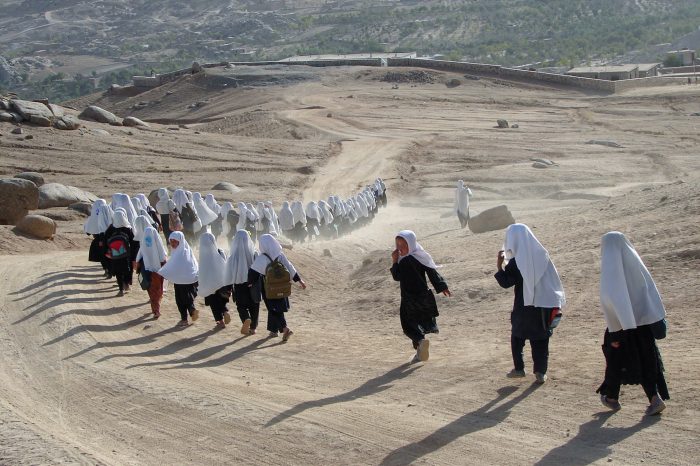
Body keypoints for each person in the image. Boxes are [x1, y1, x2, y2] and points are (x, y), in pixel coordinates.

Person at [596, 232, 669, 415]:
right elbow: (650, 294)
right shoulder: (636, 264)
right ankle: (654, 398)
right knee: (647, 359)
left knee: (615, 359)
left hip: (621, 325)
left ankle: (612, 398)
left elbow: (612, 299)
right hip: (645, 322)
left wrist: (616, 334)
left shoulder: (611, 270)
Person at [495, 224, 565, 384]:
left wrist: (499, 266)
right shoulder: (542, 255)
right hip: (543, 305)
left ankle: (519, 368)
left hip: (523, 306)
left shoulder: (516, 263)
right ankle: (541, 372)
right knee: (540, 339)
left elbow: (506, 283)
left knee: (517, 337)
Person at [391, 230, 451, 362]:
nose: (400, 248)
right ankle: (420, 351)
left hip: (409, 299)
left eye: (403, 245)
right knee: (419, 323)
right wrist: (442, 286)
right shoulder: (420, 256)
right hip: (424, 297)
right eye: (398, 245)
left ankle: (420, 342)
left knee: (408, 325)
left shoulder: (404, 261)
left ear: (411, 244)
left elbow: (397, 276)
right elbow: (431, 271)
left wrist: (394, 262)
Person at [248, 234, 306, 340]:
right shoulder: (280, 255)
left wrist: (250, 283)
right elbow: (289, 267)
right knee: (277, 307)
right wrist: (299, 280)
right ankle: (274, 331)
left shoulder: (262, 258)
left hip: (269, 288)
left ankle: (284, 328)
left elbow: (253, 272)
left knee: (273, 309)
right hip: (282, 285)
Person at [158, 231, 199, 327]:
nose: (172, 243)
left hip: (181, 281)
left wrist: (163, 272)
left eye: (174, 241)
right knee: (187, 297)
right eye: (171, 241)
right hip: (189, 280)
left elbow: (173, 265)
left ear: (180, 241)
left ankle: (185, 319)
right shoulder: (186, 251)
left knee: (180, 300)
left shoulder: (180, 253)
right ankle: (192, 311)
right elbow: (194, 265)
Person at [228, 230, 260, 335]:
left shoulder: (233, 255)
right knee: (254, 305)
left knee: (241, 306)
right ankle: (253, 328)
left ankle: (246, 318)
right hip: (253, 284)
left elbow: (229, 271)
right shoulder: (254, 253)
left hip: (238, 284)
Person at [198, 233, 233, 329]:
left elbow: (201, 269)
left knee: (213, 302)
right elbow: (224, 264)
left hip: (209, 283)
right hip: (221, 281)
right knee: (221, 298)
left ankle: (220, 321)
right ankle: (225, 311)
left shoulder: (203, 254)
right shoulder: (220, 251)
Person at [135, 226, 168, 319]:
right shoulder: (158, 243)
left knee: (151, 290)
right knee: (157, 290)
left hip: (147, 271)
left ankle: (155, 308)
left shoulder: (143, 244)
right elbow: (162, 255)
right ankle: (156, 310)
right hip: (157, 271)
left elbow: (139, 257)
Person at [104, 210, 135, 296]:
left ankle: (120, 289)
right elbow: (133, 242)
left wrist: (108, 250)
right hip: (126, 255)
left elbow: (106, 240)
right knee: (127, 269)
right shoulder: (128, 228)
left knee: (118, 271)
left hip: (115, 254)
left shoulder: (111, 228)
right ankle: (126, 284)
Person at [85, 199, 113, 277]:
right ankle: (109, 270)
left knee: (102, 255)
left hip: (98, 239)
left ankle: (106, 269)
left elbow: (88, 229)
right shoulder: (109, 211)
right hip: (110, 237)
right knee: (109, 255)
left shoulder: (93, 215)